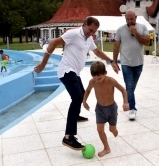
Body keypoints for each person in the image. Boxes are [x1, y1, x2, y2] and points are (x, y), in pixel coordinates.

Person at [34, 16, 119, 151]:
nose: (91, 33)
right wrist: (43, 64)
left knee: (82, 93)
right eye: (90, 30)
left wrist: (111, 61)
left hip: (75, 72)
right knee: (77, 98)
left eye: (93, 32)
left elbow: (96, 51)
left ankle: (75, 115)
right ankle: (68, 137)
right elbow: (53, 43)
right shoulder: (73, 34)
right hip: (66, 70)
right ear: (85, 24)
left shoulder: (88, 38)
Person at [82, 61, 129, 157]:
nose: (97, 80)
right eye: (94, 78)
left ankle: (114, 130)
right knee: (99, 129)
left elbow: (123, 90)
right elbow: (87, 90)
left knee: (112, 130)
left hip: (111, 109)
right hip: (100, 109)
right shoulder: (92, 82)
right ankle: (106, 148)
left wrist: (125, 102)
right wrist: (84, 101)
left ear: (105, 73)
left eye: (99, 78)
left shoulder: (111, 81)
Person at [113, 9, 150, 120]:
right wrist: (114, 61)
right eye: (127, 19)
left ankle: (127, 98)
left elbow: (147, 43)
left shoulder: (143, 28)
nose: (130, 21)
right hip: (125, 63)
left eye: (131, 19)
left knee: (131, 88)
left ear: (136, 17)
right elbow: (116, 47)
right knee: (129, 86)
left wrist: (136, 33)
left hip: (139, 63)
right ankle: (132, 109)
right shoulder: (120, 30)